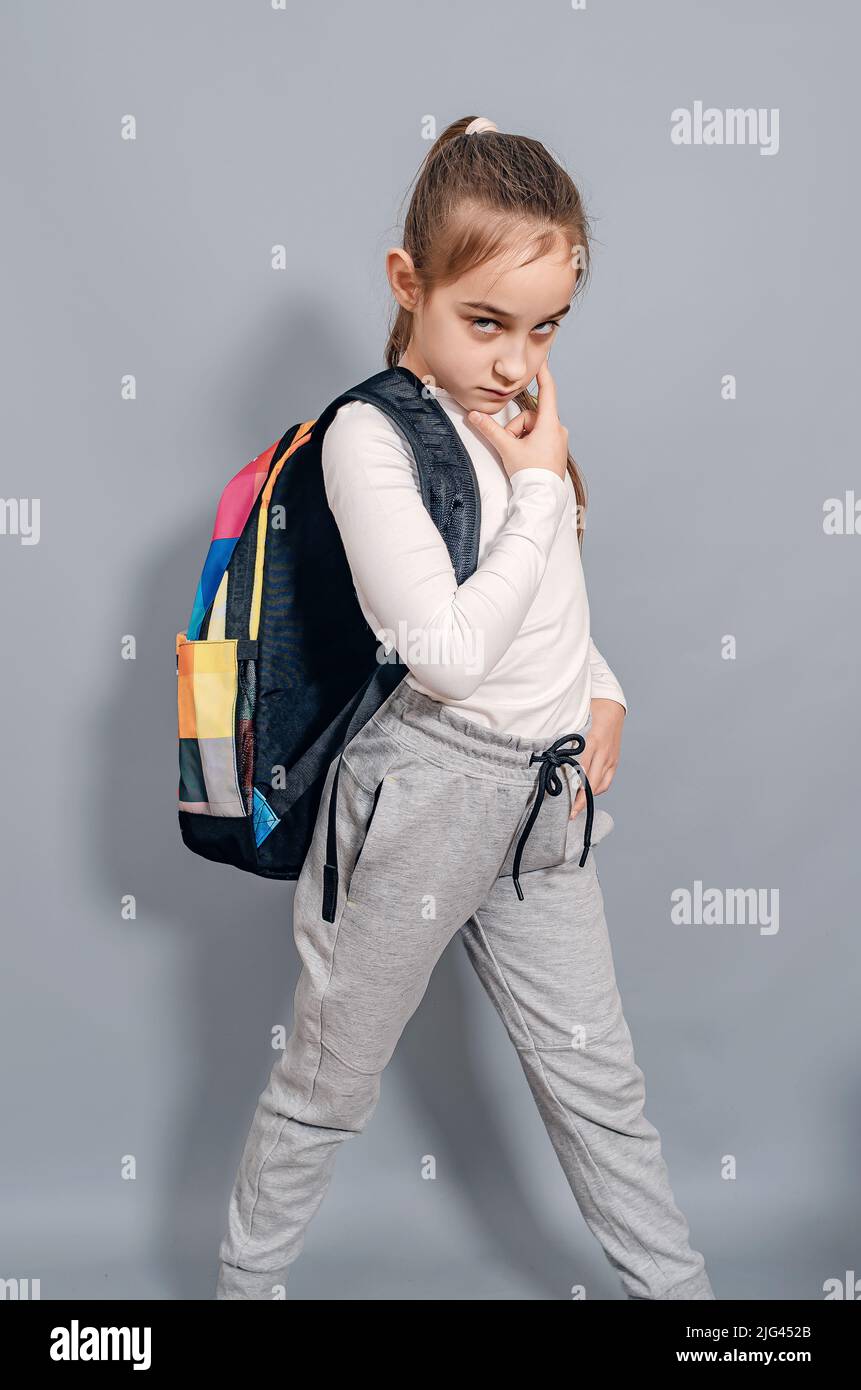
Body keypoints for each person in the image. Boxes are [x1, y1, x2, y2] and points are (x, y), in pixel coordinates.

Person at [215, 115, 715, 1301]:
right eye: (485, 321)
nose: (516, 359)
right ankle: (245, 1286)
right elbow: (441, 650)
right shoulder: (368, 437)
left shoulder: (520, 412)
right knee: (329, 1083)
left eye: (546, 327)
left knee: (603, 1094)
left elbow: (548, 602)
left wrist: (604, 691)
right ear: (408, 285)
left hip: (542, 804)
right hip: (423, 797)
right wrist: (542, 488)